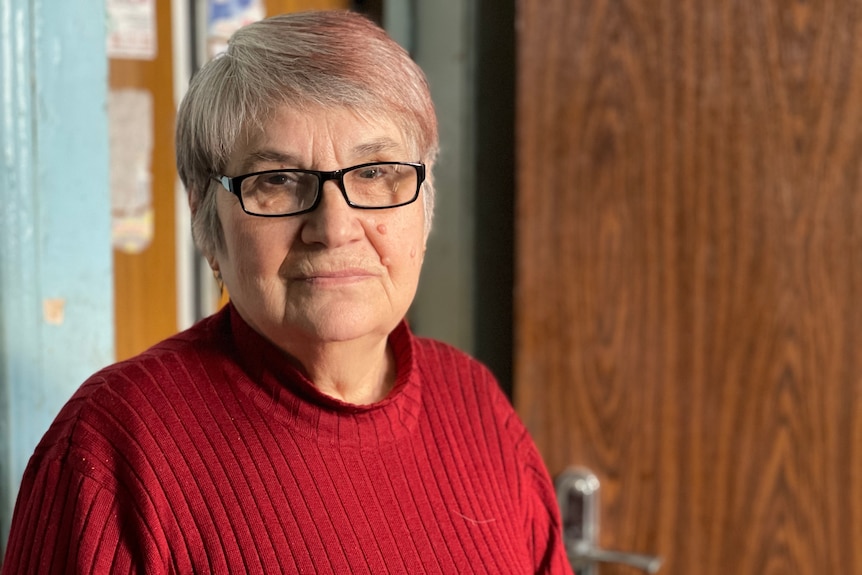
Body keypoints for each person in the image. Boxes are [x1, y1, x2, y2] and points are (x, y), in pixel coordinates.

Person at [2, 10, 572, 574]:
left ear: (424, 205)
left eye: (375, 173)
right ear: (207, 217)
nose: (335, 228)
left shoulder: (474, 404)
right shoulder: (109, 450)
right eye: (276, 180)